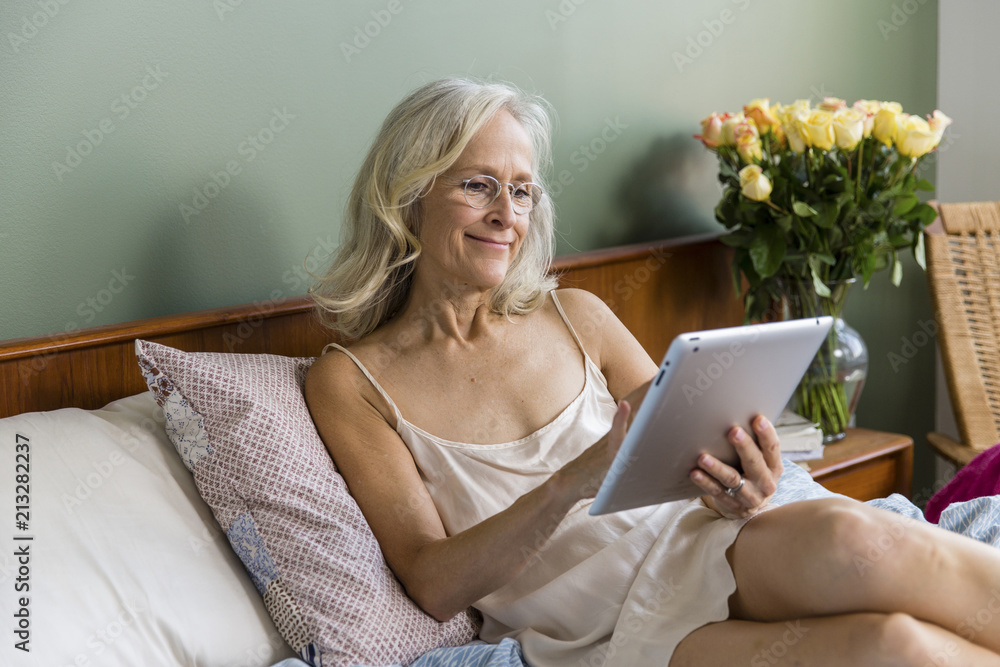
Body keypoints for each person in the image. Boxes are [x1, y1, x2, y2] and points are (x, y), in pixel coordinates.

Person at [304, 77, 1000, 666]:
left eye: (523, 192)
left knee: (862, 539)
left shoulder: (577, 316)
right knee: (895, 647)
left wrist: (745, 478)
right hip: (606, 624)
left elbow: (694, 451)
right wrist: (575, 478)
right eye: (479, 185)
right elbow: (433, 580)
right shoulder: (352, 382)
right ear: (409, 194)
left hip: (705, 537)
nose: (505, 215)